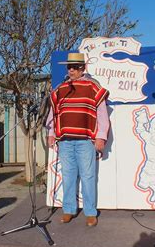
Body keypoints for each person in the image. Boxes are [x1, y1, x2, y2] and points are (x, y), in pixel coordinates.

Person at [46, 52, 110, 227]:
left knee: (88, 176)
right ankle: (68, 210)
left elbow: (102, 114)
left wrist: (101, 137)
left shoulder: (92, 86)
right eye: (69, 67)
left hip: (85, 140)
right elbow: (54, 114)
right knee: (68, 176)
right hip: (65, 140)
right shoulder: (60, 88)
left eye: (75, 67)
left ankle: (90, 212)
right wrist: (51, 133)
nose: (71, 70)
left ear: (83, 68)